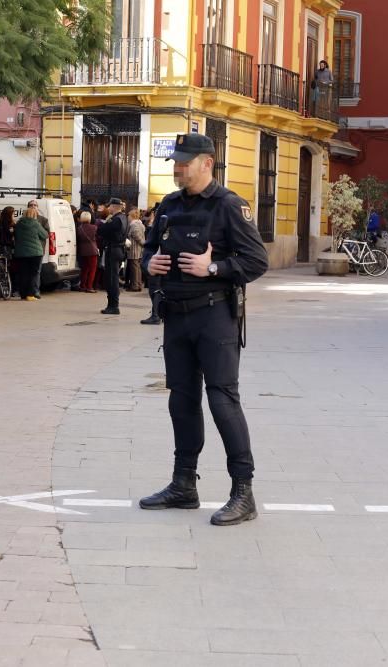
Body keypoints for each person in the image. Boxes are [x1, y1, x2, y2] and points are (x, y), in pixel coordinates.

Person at [139, 133, 269, 526]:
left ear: (207, 163)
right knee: (181, 401)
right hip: (175, 317)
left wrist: (213, 268)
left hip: (215, 318)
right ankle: (183, 485)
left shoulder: (229, 206)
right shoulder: (169, 205)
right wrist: (149, 264)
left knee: (222, 401)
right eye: (175, 162)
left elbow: (257, 260)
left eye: (184, 162)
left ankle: (243, 493)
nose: (177, 168)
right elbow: (148, 248)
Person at [96, 198, 127, 314]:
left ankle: (113, 306)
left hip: (113, 250)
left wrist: (103, 224)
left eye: (109, 206)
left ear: (114, 206)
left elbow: (102, 230)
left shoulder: (115, 219)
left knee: (111, 279)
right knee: (113, 277)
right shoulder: (123, 218)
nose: (108, 208)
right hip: (118, 249)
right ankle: (112, 305)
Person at [13, 202, 48, 301]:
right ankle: (31, 294)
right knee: (34, 273)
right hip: (35, 253)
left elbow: (15, 236)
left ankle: (23, 294)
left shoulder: (18, 224)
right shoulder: (35, 223)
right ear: (34, 215)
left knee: (23, 273)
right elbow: (45, 235)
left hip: (21, 253)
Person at [140, 203, 163, 325]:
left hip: (157, 260)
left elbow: (151, 241)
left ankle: (156, 314)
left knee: (154, 289)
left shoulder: (159, 226)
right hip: (158, 260)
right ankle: (157, 312)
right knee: (157, 288)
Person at [26, 201, 50, 298]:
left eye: (35, 205)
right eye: (31, 205)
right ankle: (27, 291)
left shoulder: (43, 220)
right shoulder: (24, 219)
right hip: (26, 250)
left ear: (38, 207)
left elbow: (47, 234)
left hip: (38, 249)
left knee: (36, 272)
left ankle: (35, 291)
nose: (33, 207)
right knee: (27, 271)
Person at [75, 210, 98, 294]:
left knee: (84, 269)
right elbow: (97, 238)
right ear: (89, 218)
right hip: (92, 251)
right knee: (92, 269)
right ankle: (89, 286)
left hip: (83, 251)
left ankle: (82, 286)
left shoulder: (79, 229)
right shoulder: (94, 227)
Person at [126, 207, 146, 291]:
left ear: (132, 216)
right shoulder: (140, 223)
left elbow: (137, 236)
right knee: (137, 269)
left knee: (134, 269)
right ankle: (138, 285)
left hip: (134, 249)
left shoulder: (134, 224)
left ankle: (134, 286)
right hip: (139, 250)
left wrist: (143, 243)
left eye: (129, 215)